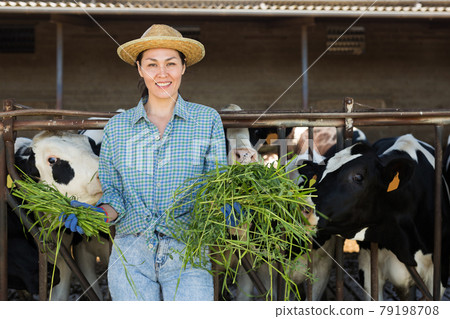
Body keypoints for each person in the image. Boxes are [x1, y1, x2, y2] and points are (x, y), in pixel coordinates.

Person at [65, 24, 227, 301]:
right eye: (152, 64)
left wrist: (225, 204)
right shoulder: (118, 127)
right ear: (140, 69)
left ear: (183, 67)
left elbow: (216, 185)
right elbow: (115, 194)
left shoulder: (207, 120)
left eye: (170, 63)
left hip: (188, 252)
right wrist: (99, 214)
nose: (162, 73)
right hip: (130, 256)